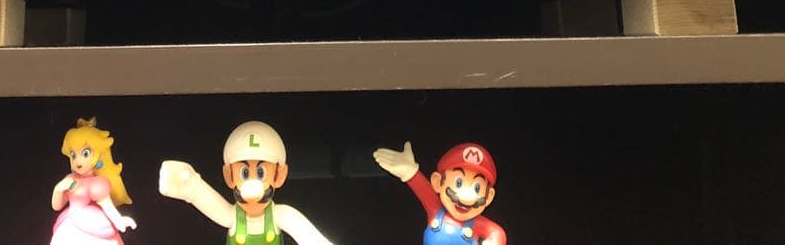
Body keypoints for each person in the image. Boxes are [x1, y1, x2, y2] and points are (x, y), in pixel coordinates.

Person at [159, 120, 333, 244]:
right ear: (229, 176)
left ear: (278, 176)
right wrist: (189, 185)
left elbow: (311, 238)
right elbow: (201, 196)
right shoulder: (231, 216)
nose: (252, 185)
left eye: (261, 173)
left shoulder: (282, 215)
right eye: (244, 173)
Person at [373, 141, 506, 245]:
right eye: (458, 183)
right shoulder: (436, 210)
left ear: (488, 197)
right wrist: (409, 171)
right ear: (437, 182)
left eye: (477, 188)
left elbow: (497, 232)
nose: (466, 197)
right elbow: (422, 188)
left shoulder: (478, 225)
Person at [51, 118, 137, 244]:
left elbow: (108, 206)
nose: (77, 161)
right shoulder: (70, 179)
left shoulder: (96, 183)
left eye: (85, 154)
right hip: (69, 223)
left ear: (97, 155)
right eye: (73, 155)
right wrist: (58, 189)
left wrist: (119, 221)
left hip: (90, 222)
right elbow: (57, 206)